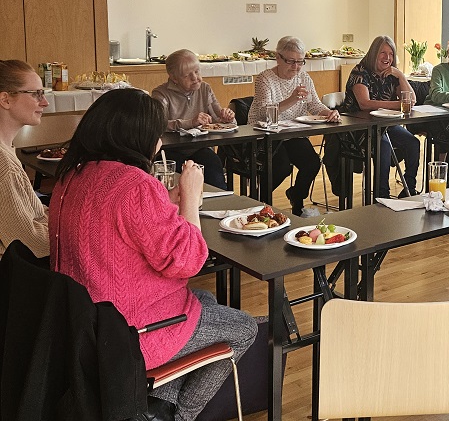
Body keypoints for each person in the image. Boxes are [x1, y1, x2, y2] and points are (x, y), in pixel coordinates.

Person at [49, 89, 257, 421]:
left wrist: (167, 201)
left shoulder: (71, 174)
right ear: (137, 136)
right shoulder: (134, 184)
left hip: (84, 322)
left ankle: (156, 406)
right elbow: (189, 260)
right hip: (127, 334)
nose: (158, 141)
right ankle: (177, 416)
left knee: (204, 299)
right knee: (245, 326)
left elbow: (124, 226)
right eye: (155, 133)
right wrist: (190, 199)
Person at [247, 36, 340, 211]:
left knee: (312, 163)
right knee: (281, 167)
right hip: (266, 134)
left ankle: (297, 195)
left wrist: (329, 113)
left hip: (293, 132)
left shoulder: (303, 77)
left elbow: (314, 104)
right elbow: (264, 113)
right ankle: (260, 203)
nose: (296, 67)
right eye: (290, 61)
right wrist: (292, 99)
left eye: (300, 62)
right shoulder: (264, 78)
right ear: (278, 57)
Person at [339, 35, 420, 198]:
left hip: (384, 125)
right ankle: (381, 195)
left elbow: (412, 101)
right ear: (373, 53)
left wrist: (401, 77)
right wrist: (397, 105)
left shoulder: (392, 74)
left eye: (391, 54)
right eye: (383, 53)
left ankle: (409, 188)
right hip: (358, 128)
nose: (387, 58)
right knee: (383, 145)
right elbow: (365, 104)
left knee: (413, 143)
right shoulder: (360, 72)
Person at [151, 49, 233, 189]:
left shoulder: (205, 89)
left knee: (214, 168)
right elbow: (158, 124)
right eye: (187, 75)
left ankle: (219, 206)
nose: (195, 78)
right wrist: (190, 123)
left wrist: (227, 117)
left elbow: (217, 117)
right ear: (174, 78)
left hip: (198, 147)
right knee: (180, 179)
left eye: (197, 71)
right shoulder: (161, 94)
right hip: (170, 151)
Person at [0, 60, 49, 259]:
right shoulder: (4, 164)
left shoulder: (7, 151)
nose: (44, 102)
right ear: (6, 100)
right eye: (36, 93)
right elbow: (30, 244)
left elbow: (34, 212)